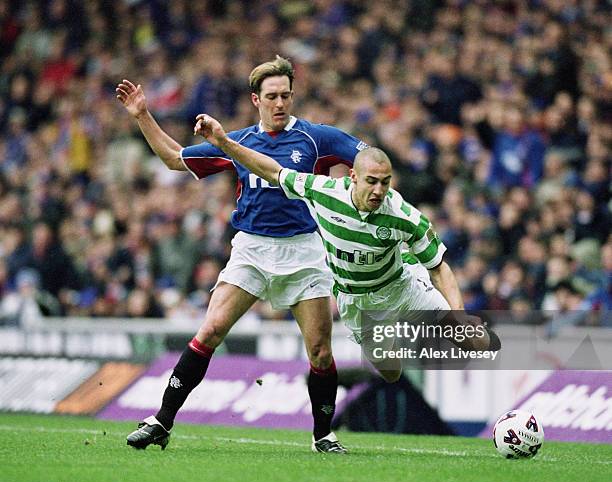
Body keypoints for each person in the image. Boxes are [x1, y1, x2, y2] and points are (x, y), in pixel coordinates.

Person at [116, 56, 367, 453]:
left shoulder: (318, 138)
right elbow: (173, 158)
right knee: (210, 329)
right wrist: (143, 115)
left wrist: (363, 173)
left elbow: (368, 156)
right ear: (256, 100)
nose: (280, 103)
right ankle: (162, 421)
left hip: (304, 252)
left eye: (286, 95)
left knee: (320, 351)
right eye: (272, 96)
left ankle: (323, 434)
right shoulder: (239, 143)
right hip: (251, 249)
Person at [193, 113, 501, 381]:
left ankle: (513, 372)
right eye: (372, 181)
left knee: (468, 338)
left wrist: (459, 315)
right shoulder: (324, 193)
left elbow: (439, 268)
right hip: (357, 303)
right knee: (391, 372)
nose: (379, 190)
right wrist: (224, 142)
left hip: (403, 287)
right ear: (353, 176)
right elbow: (272, 171)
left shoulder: (406, 217)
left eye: (386, 182)